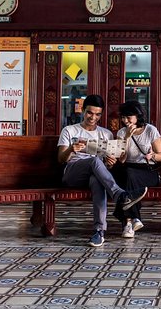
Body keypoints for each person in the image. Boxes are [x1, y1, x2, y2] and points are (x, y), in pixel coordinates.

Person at [58, 94, 148, 247]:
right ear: (83, 110)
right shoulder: (69, 130)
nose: (93, 117)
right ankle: (121, 195)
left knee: (97, 180)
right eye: (89, 113)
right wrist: (71, 150)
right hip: (73, 173)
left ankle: (99, 232)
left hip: (94, 174)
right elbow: (61, 159)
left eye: (97, 114)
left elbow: (109, 165)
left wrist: (110, 162)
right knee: (94, 160)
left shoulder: (105, 134)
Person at [113, 100, 161, 238]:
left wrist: (152, 155)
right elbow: (121, 159)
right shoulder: (122, 132)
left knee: (129, 178)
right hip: (128, 169)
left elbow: (160, 156)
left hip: (148, 170)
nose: (126, 121)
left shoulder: (151, 130)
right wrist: (127, 137)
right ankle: (133, 219)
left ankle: (127, 222)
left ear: (138, 116)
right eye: (123, 117)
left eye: (129, 117)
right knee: (128, 174)